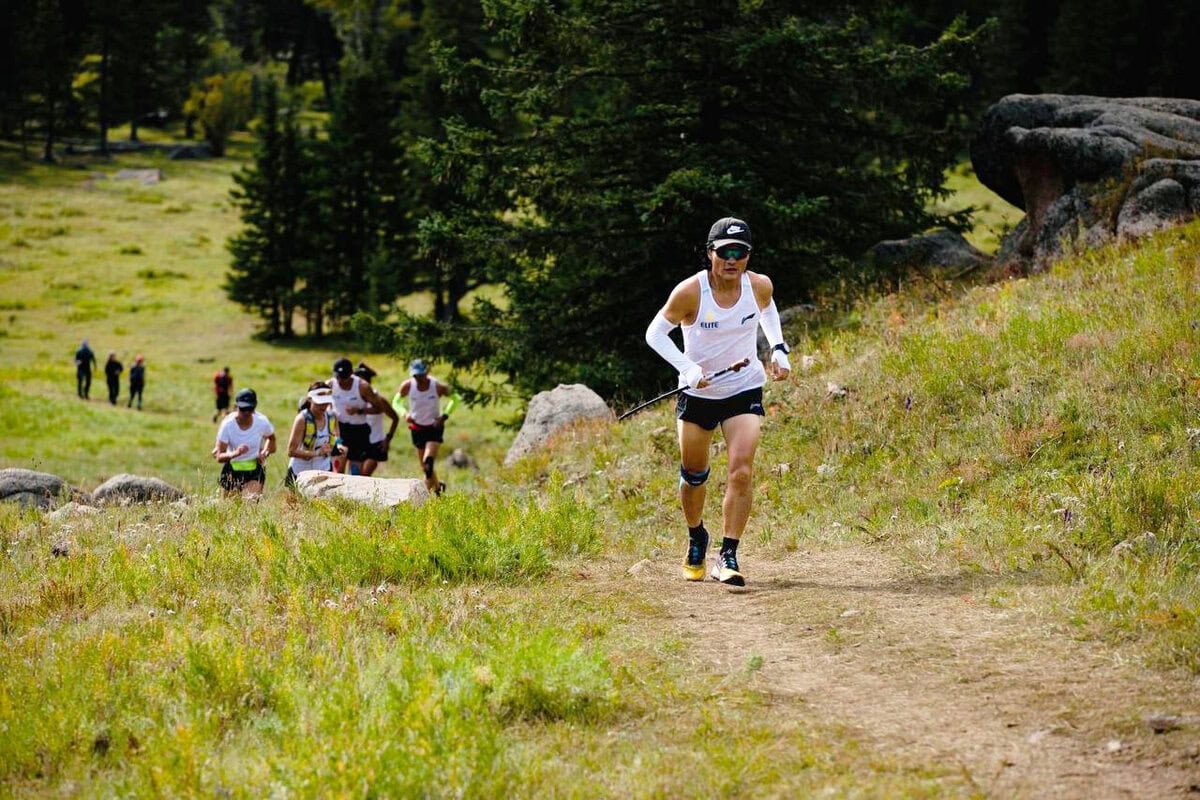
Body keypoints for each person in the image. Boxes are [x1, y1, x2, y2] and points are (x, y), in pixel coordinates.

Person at [643, 217, 791, 589]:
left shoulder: (759, 285)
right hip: (699, 395)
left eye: (740, 252)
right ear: (710, 253)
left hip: (744, 389)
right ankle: (697, 536)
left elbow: (767, 308)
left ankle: (729, 554)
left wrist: (778, 348)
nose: (732, 260)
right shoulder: (691, 292)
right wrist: (687, 368)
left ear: (748, 255)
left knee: (741, 471)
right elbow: (655, 333)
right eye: (725, 252)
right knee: (694, 475)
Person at [393, 359, 460, 495]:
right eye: (415, 376)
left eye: (421, 375)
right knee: (425, 467)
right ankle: (438, 489)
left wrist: (444, 416)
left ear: (427, 372)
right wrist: (405, 413)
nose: (418, 379)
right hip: (417, 428)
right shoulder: (407, 386)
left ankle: (423, 498)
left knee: (428, 464)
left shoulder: (437, 386)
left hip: (434, 428)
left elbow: (455, 398)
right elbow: (396, 402)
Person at [330, 357, 398, 475]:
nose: (341, 381)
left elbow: (386, 412)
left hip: (364, 435)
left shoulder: (365, 389)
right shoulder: (331, 384)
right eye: (338, 377)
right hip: (341, 430)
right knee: (338, 470)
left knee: (358, 473)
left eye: (344, 378)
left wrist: (359, 410)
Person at [213, 388, 276, 497]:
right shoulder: (227, 424)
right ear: (236, 406)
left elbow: (271, 439)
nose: (246, 413)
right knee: (230, 506)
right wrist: (235, 453)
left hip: (254, 470)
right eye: (243, 409)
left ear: (255, 407)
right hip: (231, 471)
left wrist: (265, 453)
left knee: (250, 502)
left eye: (250, 409)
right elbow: (219, 456)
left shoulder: (262, 422)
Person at [286, 382, 338, 486]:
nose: (324, 406)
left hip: (324, 471)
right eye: (320, 403)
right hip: (300, 473)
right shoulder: (302, 419)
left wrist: (338, 447)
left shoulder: (332, 417)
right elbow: (291, 451)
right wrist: (317, 453)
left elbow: (337, 437)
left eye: (326, 402)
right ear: (310, 399)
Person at [354, 363, 392, 476]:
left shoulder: (380, 400)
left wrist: (388, 439)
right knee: (355, 475)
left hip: (376, 443)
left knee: (365, 475)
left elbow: (395, 418)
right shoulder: (354, 400)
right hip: (358, 442)